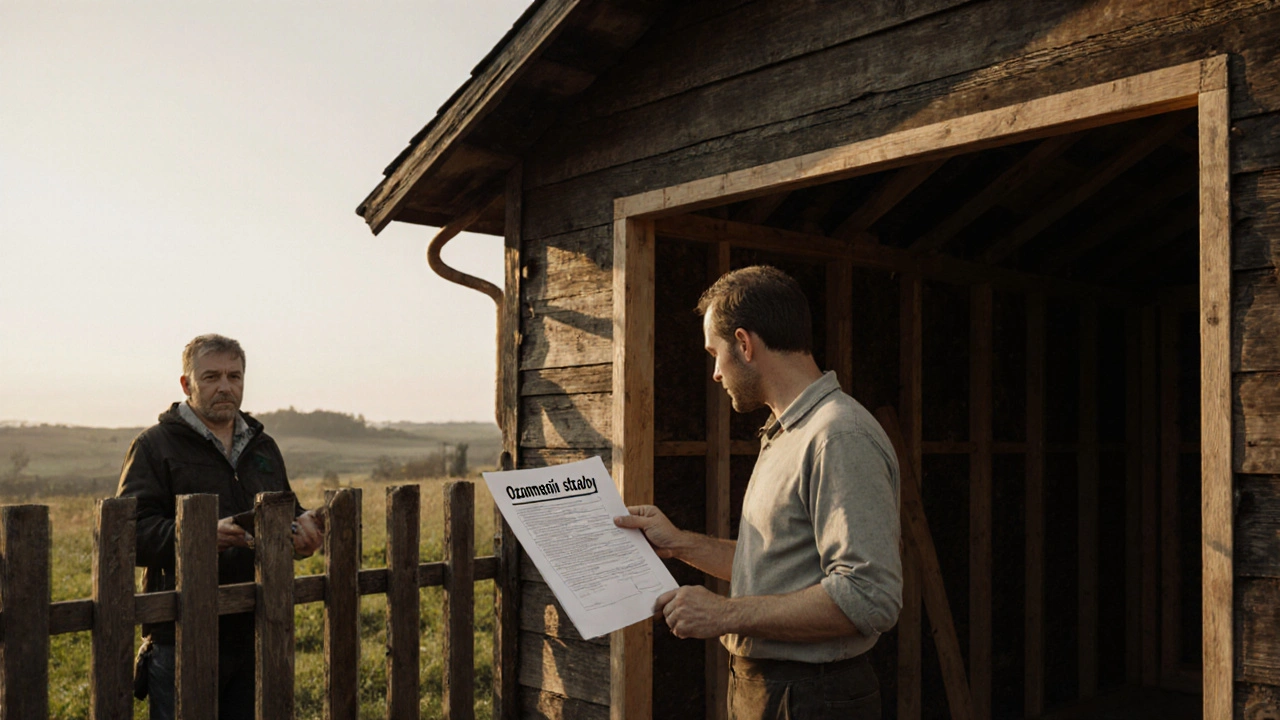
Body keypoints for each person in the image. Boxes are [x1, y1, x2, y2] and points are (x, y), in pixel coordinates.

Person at [615, 266, 902, 720]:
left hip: (812, 699)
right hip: (775, 691)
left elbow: (868, 597)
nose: (714, 372)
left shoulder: (837, 436)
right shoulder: (788, 432)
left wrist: (723, 614)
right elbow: (776, 570)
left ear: (745, 344)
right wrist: (679, 544)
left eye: (716, 353)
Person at [116, 334, 323, 719]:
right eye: (211, 377)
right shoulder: (154, 446)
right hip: (181, 634)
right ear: (186, 384)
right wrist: (195, 538)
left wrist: (304, 528)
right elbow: (129, 533)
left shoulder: (263, 447)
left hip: (259, 626)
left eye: (234, 376)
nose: (225, 387)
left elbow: (286, 511)